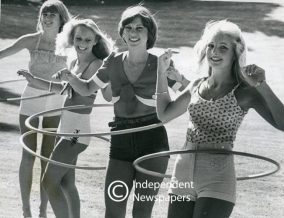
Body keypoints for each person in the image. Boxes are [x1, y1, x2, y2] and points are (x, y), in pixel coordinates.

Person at [55, 5, 189, 218]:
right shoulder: (113, 61)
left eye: (139, 28)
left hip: (152, 141)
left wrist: (180, 78)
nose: (133, 33)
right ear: (122, 32)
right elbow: (88, 87)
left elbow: (191, 94)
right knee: (113, 211)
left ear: (149, 33)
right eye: (128, 27)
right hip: (120, 140)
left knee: (142, 211)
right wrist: (70, 77)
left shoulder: (160, 63)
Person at [156, 20, 284, 218]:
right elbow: (164, 114)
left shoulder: (245, 92)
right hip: (182, 173)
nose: (215, 52)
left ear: (236, 53)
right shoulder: (196, 85)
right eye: (211, 46)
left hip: (217, 177)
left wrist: (262, 85)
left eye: (223, 48)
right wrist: (161, 73)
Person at [19, 18, 114, 218]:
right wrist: (33, 80)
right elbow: (63, 90)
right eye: (78, 38)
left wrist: (70, 77)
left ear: (96, 41)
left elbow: (85, 88)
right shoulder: (73, 61)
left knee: (48, 181)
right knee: (66, 182)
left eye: (88, 40)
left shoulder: (97, 64)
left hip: (77, 133)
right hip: (66, 130)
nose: (82, 43)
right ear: (72, 38)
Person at [0, 1, 71, 217]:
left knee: (46, 157)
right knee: (28, 155)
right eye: (44, 14)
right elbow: (2, 53)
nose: (47, 18)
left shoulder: (69, 42)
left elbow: (94, 59)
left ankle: (42, 209)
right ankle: (26, 209)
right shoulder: (31, 40)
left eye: (52, 15)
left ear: (61, 18)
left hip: (56, 101)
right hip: (31, 99)